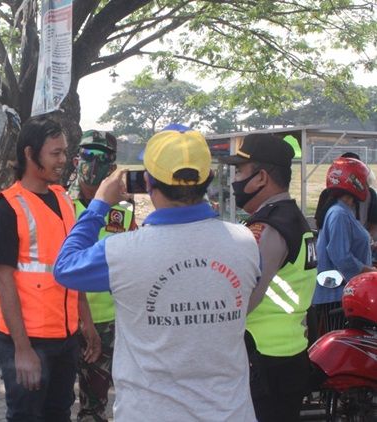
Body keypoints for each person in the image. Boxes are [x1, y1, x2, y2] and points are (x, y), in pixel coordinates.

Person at [54, 126, 262, 421]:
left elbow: (65, 268)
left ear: (148, 181)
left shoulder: (122, 252)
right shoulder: (245, 242)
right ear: (210, 179)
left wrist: (99, 205)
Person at [0, 116, 95, 421]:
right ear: (30, 154)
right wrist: (22, 349)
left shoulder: (63, 199)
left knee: (59, 413)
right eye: (56, 153)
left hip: (65, 338)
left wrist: (85, 321)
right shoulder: (7, 207)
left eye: (65, 152)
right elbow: (3, 280)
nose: (64, 160)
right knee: (25, 416)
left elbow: (72, 267)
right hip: (28, 341)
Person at [219, 133, 317, 422]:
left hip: (263, 362)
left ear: (261, 177)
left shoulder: (268, 228)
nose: (235, 180)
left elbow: (242, 300)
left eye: (240, 171)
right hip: (289, 353)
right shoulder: (293, 219)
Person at [69, 130, 136, 422]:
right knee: (54, 402)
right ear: (76, 161)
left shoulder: (124, 214)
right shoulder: (62, 207)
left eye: (103, 158)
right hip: (65, 321)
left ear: (112, 169)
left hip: (108, 323)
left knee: (94, 408)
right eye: (88, 156)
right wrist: (85, 321)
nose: (93, 164)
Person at [313, 157, 376, 334]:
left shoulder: (342, 211)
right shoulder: (339, 214)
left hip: (342, 293)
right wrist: (368, 271)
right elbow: (340, 255)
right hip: (336, 296)